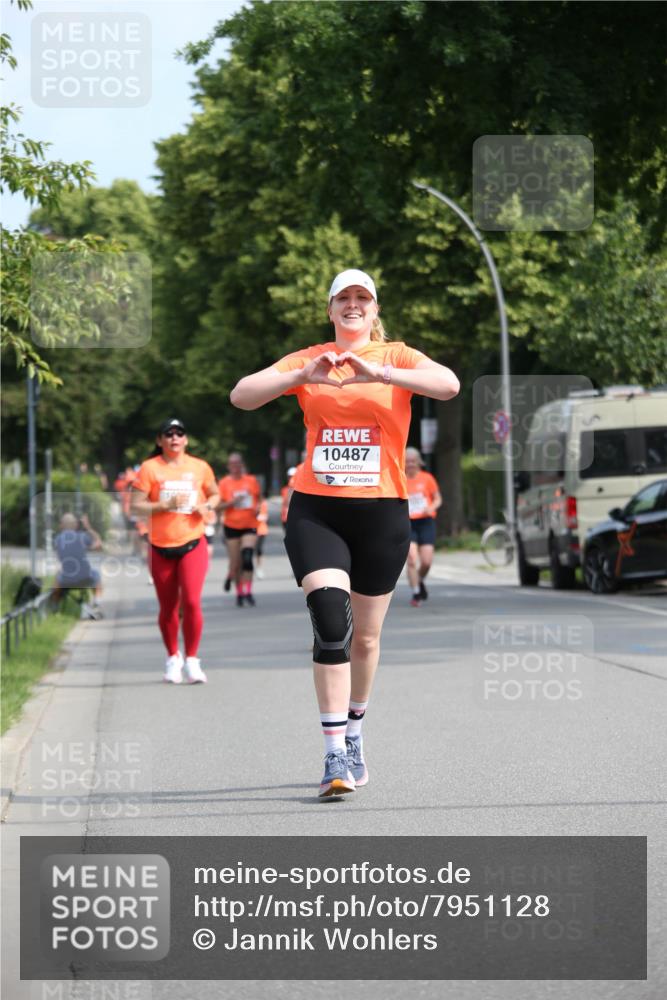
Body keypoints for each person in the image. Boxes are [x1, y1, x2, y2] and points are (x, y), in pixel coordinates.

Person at [231, 268, 459, 797]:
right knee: (332, 622)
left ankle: (355, 733)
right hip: (319, 509)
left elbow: (447, 385)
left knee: (368, 636)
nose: (353, 306)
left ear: (375, 310)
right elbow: (242, 395)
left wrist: (379, 376)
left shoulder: (397, 357)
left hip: (382, 511)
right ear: (330, 309)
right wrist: (299, 376)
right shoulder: (309, 359)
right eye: (343, 299)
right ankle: (334, 754)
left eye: (363, 298)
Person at [131, 418, 219, 684]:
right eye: (168, 434)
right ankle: (173, 657)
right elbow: (136, 506)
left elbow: (214, 495)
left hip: (193, 541)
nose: (174, 438)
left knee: (191, 601)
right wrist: (163, 504)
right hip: (160, 545)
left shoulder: (199, 466)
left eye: (179, 433)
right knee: (168, 607)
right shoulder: (150, 468)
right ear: (160, 441)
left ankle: (192, 660)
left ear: (186, 439)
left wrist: (207, 507)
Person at [218, 453, 261, 606]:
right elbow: (218, 506)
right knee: (236, 563)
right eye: (232, 464)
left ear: (242, 464)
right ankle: (239, 592)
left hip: (250, 525)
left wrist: (258, 508)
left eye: (238, 463)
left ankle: (248, 591)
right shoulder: (224, 483)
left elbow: (259, 499)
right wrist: (232, 502)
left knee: (248, 557)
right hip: (231, 526)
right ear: (229, 466)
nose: (235, 466)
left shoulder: (251, 481)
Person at [404, 447, 443, 606]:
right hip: (408, 523)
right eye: (407, 461)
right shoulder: (399, 479)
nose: (411, 464)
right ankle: (416, 593)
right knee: (412, 559)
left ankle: (419, 580)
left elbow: (438, 499)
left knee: (426, 561)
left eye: (413, 461)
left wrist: (432, 507)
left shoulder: (427, 478)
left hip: (426, 521)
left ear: (419, 462)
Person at [52, 512, 104, 619]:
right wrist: (88, 527)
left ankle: (55, 607)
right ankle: (97, 603)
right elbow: (99, 544)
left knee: (57, 577)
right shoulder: (82, 537)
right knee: (97, 574)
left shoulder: (57, 539)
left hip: (66, 580)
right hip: (85, 577)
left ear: (61, 525)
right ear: (75, 525)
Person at [280, 466, 297, 534]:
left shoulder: (299, 490)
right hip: (285, 518)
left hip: (295, 518)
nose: (291, 478)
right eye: (289, 476)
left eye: (293, 476)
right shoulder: (284, 489)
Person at [255, 496, 269, 578]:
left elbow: (265, 516)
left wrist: (257, 516)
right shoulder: (250, 501)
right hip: (250, 529)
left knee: (259, 550)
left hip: (261, 530)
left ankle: (259, 568)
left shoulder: (263, 503)